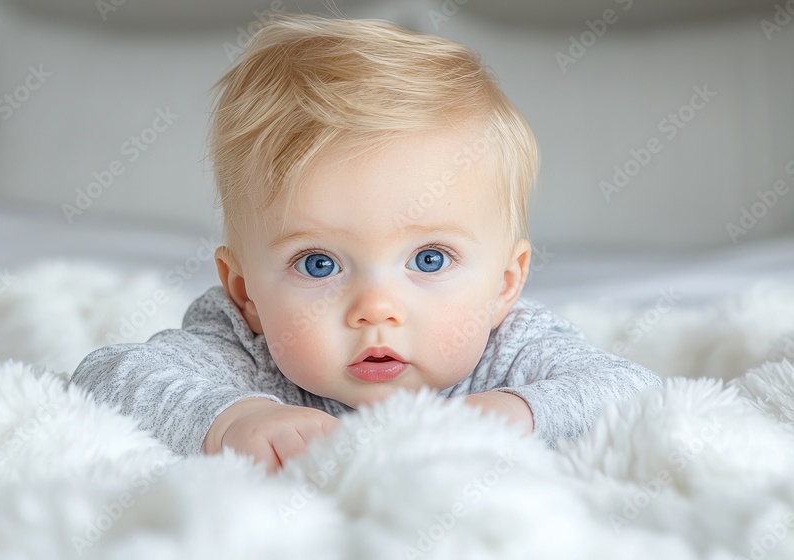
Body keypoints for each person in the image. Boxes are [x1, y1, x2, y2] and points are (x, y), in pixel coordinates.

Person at [68, 13, 661, 473]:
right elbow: (106, 379)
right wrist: (234, 419)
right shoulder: (246, 352)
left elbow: (633, 391)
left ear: (504, 285)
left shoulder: (510, 350)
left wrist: (520, 414)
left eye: (429, 259)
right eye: (319, 263)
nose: (376, 307)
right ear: (246, 293)